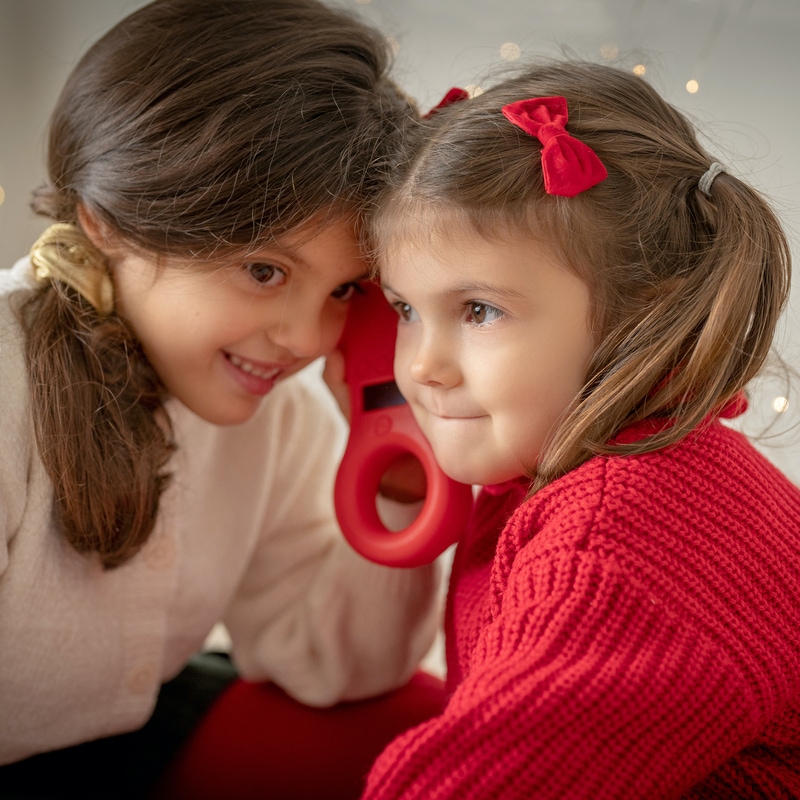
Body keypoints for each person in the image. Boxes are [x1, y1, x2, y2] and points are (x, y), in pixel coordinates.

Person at [0, 1, 448, 797]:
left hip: (136, 743)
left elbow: (326, 666)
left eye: (344, 287)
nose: (308, 341)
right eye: (265, 271)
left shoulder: (281, 413)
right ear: (106, 221)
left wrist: (396, 469)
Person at [359, 60, 800, 799]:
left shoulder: (618, 540)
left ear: (639, 315)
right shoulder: (584, 471)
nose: (424, 367)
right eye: (406, 309)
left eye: (479, 311)